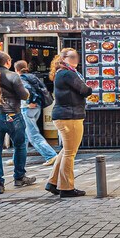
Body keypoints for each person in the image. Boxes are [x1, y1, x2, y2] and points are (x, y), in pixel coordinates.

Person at [0, 51, 37, 194]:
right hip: (12, 116)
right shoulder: (13, 76)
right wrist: (27, 92)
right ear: (8, 62)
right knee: (20, 146)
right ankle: (19, 177)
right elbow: (24, 95)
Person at [46, 48, 91, 198]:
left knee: (66, 150)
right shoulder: (68, 73)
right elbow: (84, 90)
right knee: (70, 153)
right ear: (63, 58)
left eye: (76, 56)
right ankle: (66, 187)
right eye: (71, 57)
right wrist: (89, 88)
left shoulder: (61, 73)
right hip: (70, 116)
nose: (75, 59)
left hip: (64, 115)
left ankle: (53, 182)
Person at [14, 60, 58, 166]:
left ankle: (51, 155)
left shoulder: (21, 78)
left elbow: (27, 89)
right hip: (36, 108)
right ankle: (17, 159)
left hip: (27, 109)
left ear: (16, 70)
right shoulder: (32, 77)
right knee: (24, 135)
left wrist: (29, 102)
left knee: (33, 135)